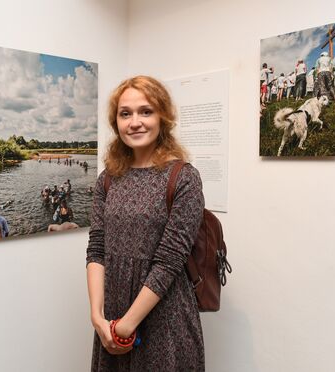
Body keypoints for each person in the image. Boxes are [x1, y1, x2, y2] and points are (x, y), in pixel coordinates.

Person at [86, 76, 205, 371]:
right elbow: (97, 248)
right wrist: (97, 317)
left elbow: (169, 262)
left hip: (164, 316)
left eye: (146, 111)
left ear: (162, 117)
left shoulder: (184, 178)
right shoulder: (108, 178)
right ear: (116, 122)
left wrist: (127, 325)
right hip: (113, 313)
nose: (135, 122)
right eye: (125, 113)